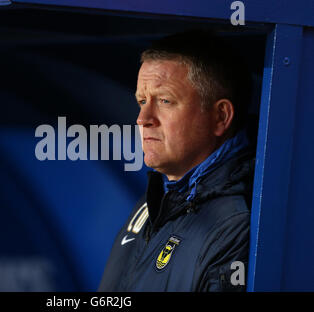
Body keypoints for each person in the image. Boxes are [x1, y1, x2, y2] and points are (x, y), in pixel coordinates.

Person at [98, 31, 255, 292]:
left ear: (220, 117)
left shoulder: (235, 222)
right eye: (142, 101)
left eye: (164, 101)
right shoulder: (161, 196)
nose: (143, 118)